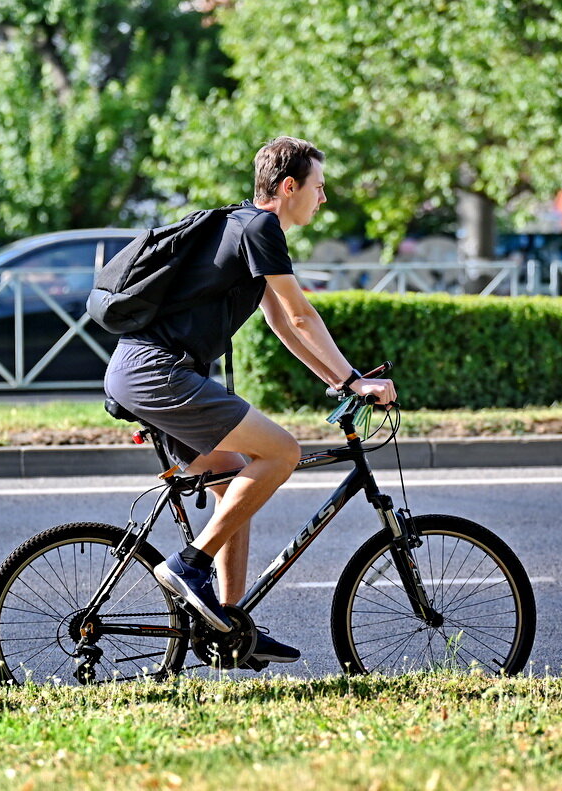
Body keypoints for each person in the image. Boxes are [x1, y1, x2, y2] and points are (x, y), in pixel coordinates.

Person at [104, 137, 396, 664]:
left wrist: (335, 379)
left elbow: (284, 325)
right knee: (281, 453)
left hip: (141, 371)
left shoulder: (243, 230)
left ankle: (228, 624)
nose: (323, 199)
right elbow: (304, 315)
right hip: (157, 371)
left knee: (235, 478)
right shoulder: (261, 228)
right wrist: (355, 381)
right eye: (318, 188)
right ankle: (190, 563)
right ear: (289, 187)